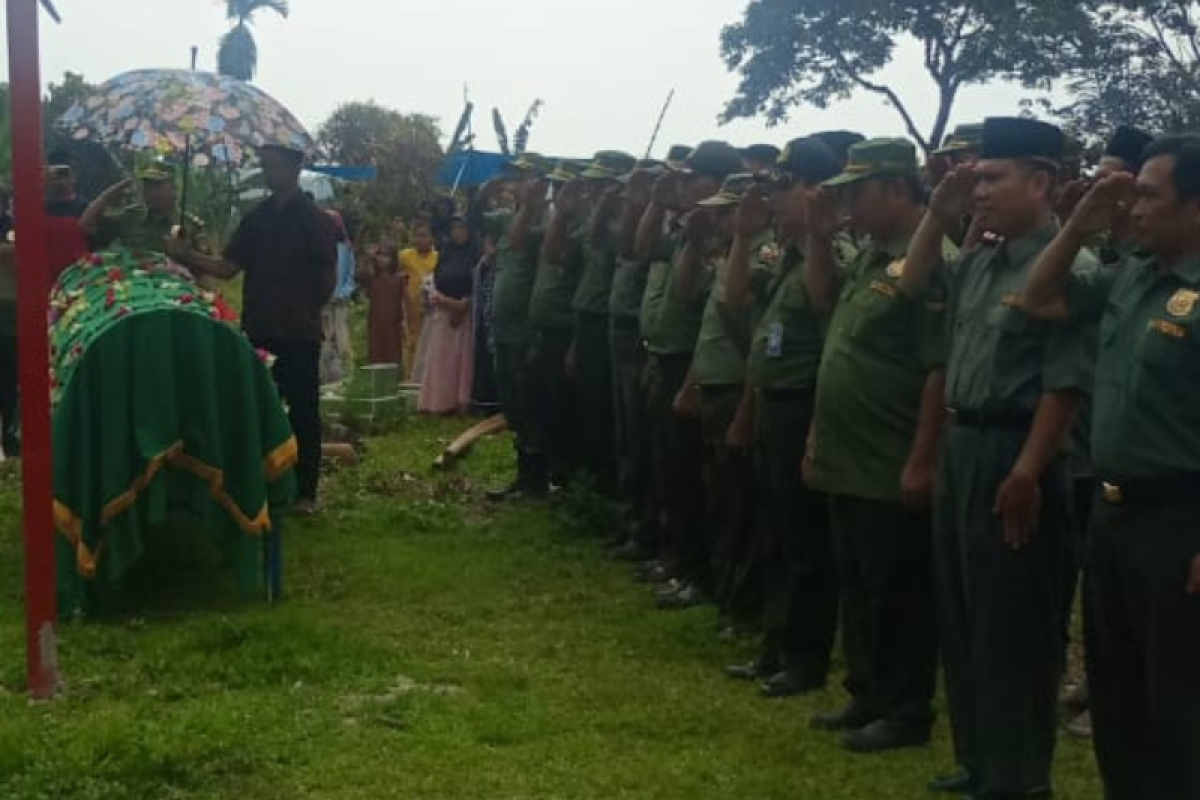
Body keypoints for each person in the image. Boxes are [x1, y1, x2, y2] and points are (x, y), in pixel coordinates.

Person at [903, 116, 1092, 799]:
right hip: (962, 441)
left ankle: (1018, 778)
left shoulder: (1067, 267)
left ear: (1040, 182)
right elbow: (913, 281)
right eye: (975, 178)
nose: (977, 190)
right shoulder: (982, 257)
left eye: (992, 178)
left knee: (1014, 626)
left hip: (1016, 449)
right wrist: (938, 209)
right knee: (963, 613)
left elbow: (1063, 382)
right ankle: (979, 760)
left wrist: (1027, 470)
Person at [1019, 133, 1200, 800]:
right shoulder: (1131, 278)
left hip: (1181, 521)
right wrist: (1082, 220)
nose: (1137, 208)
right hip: (1113, 513)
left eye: (1151, 195)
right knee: (1118, 693)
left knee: (1179, 703)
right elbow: (1038, 296)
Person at [804, 138, 949, 753]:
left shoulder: (934, 259)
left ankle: (905, 708)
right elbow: (833, 328)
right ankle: (867, 690)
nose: (850, 207)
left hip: (890, 458)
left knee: (900, 592)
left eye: (859, 194)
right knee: (860, 584)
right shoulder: (872, 256)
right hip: (849, 456)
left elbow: (936, 370)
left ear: (897, 188)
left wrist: (922, 460)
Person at [723, 137, 848, 699]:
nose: (773, 197)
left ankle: (805, 657)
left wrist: (817, 233)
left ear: (815, 191)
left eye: (784, 186)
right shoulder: (787, 255)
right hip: (773, 403)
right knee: (776, 534)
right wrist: (745, 236)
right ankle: (775, 645)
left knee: (805, 543)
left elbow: (822, 306)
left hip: (805, 405)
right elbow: (736, 300)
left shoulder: (829, 252)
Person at [166, 143, 337, 516]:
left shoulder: (314, 219)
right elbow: (227, 267)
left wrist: (305, 307)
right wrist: (186, 255)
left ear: (295, 167)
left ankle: (306, 491)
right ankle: (260, 482)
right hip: (259, 325)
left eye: (275, 166)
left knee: (304, 412)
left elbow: (328, 275)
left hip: (298, 329)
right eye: (266, 166)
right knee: (256, 407)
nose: (270, 173)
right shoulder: (257, 218)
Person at [642, 141, 745, 610]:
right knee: (674, 471)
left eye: (692, 179)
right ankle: (684, 561)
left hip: (704, 369)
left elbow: (698, 303)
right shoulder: (699, 233)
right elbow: (651, 257)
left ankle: (703, 573)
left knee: (704, 482)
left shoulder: (735, 241)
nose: (683, 187)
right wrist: (687, 228)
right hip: (679, 359)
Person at [484, 153, 553, 500]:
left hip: (528, 329)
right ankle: (523, 475)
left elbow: (517, 241)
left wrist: (531, 202)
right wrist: (486, 190)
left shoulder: (547, 219)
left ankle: (538, 480)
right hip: (504, 328)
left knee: (530, 403)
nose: (514, 184)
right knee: (512, 403)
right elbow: (471, 219)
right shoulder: (507, 216)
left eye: (523, 177)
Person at [572, 151, 637, 495]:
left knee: (610, 414)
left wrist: (615, 201)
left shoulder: (627, 229)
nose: (593, 192)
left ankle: (610, 489)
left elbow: (603, 237)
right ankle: (594, 483)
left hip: (607, 324)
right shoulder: (597, 223)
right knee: (590, 407)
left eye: (602, 185)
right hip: (589, 318)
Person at [527, 162, 588, 486]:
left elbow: (556, 255)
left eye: (565, 188)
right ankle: (547, 470)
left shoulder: (580, 228)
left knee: (564, 409)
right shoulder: (552, 223)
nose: (557, 194)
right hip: (542, 330)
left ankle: (566, 476)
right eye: (555, 187)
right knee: (543, 406)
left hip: (565, 332)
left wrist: (564, 215)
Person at [80, 163, 211, 259]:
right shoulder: (131, 217)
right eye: (147, 187)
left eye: (158, 187)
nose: (151, 193)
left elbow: (206, 274)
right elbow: (85, 225)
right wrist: (107, 197)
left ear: (174, 189)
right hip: (134, 289)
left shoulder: (191, 226)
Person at [416, 217, 479, 416]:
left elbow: (478, 284)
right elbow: (434, 282)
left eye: (462, 228)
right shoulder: (445, 255)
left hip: (467, 316)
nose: (457, 233)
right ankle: (439, 402)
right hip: (444, 312)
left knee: (462, 361)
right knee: (441, 359)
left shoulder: (475, 255)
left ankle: (461, 402)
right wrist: (447, 303)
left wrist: (463, 306)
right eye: (454, 228)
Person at [357, 238, 405, 367]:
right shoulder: (372, 278)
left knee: (394, 355)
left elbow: (404, 302)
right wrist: (368, 258)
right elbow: (360, 276)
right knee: (376, 355)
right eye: (380, 256)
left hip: (394, 323)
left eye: (386, 256)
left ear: (393, 258)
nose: (383, 259)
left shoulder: (399, 278)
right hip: (376, 322)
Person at [400, 223, 439, 378]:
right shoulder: (405, 256)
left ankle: (430, 377)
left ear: (432, 238)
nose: (420, 239)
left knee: (431, 343)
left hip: (432, 308)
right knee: (412, 342)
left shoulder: (438, 257)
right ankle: (411, 377)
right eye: (417, 235)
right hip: (411, 307)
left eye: (424, 235)